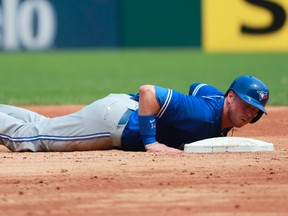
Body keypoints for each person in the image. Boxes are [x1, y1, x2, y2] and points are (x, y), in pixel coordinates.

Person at [0, 75, 269, 153]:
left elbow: (197, 86)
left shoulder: (215, 100)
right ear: (230, 97)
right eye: (246, 105)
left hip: (118, 109)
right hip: (114, 124)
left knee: (45, 126)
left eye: (254, 111)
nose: (248, 114)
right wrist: (151, 142)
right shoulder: (202, 114)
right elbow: (148, 91)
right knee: (26, 140)